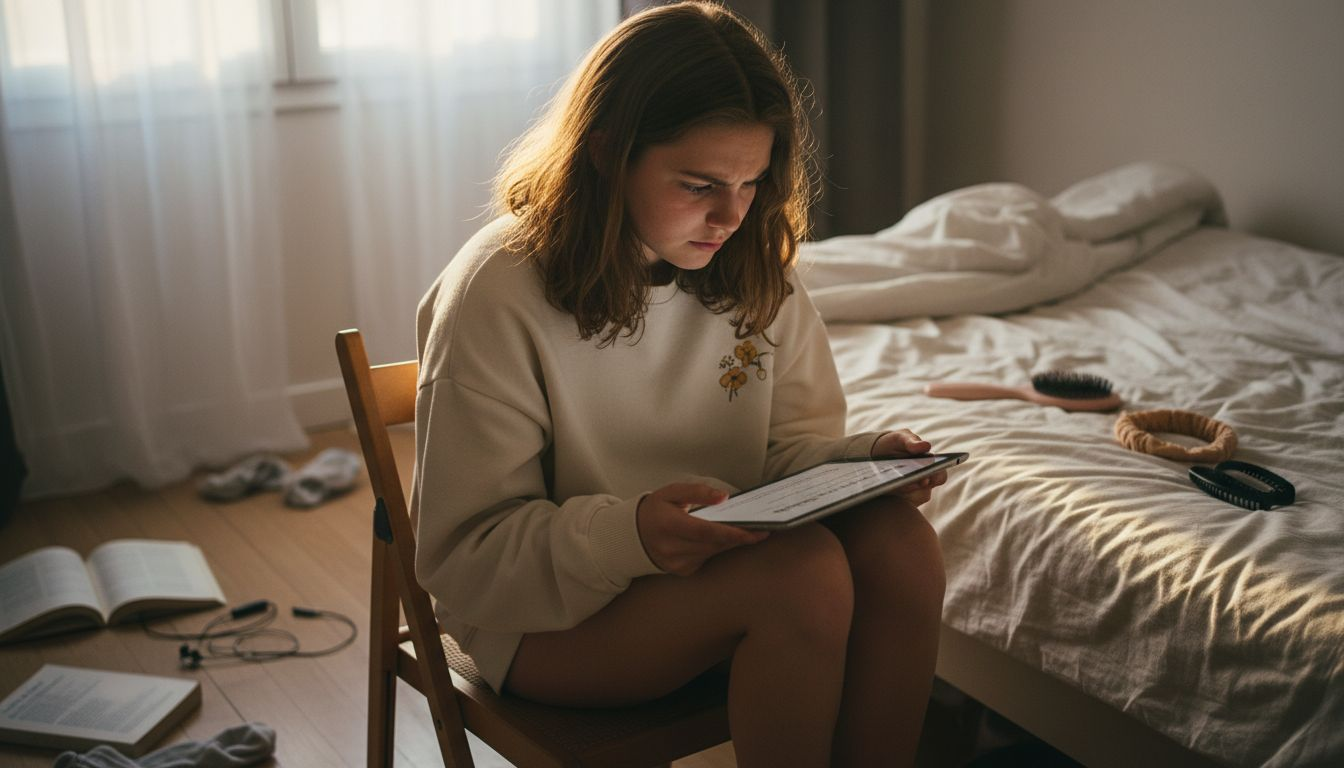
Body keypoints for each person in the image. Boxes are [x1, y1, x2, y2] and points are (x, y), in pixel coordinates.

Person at [410, 3, 946, 766]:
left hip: (711, 575)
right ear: (605, 151)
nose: (731, 215)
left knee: (901, 545)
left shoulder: (753, 263)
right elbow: (469, 555)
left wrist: (861, 462)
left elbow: (780, 453)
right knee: (801, 577)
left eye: (752, 183)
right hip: (541, 616)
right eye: (699, 185)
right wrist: (632, 535)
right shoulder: (498, 289)